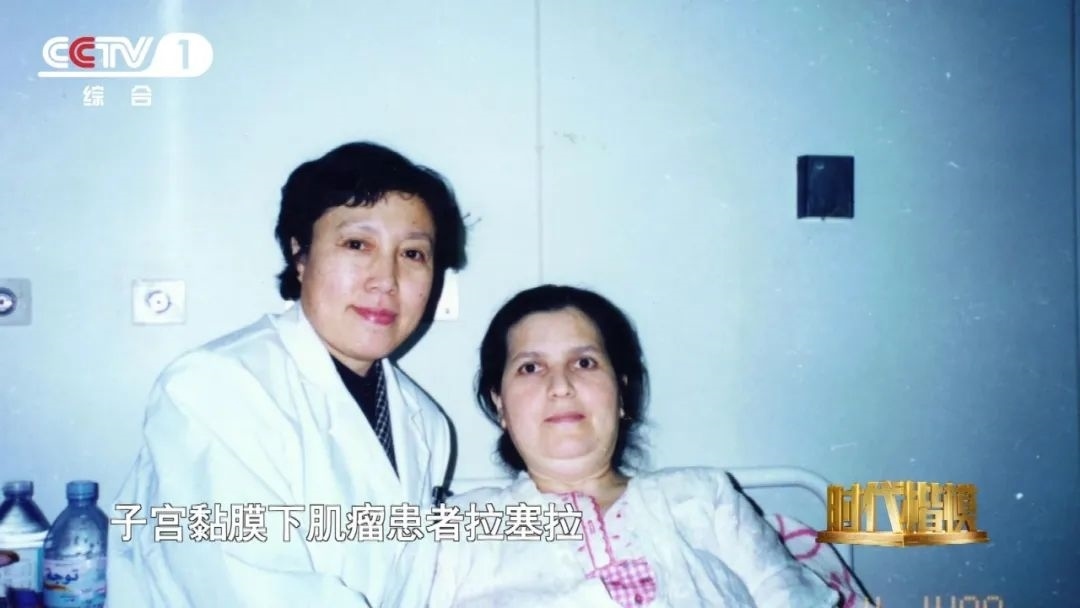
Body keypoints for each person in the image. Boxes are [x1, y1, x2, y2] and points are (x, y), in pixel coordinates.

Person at [107, 141, 468, 607]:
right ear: (300, 254)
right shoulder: (214, 388)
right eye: (357, 244)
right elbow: (252, 591)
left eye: (413, 254)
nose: (386, 279)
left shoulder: (426, 422)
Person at [426, 285, 841, 607]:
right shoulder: (461, 524)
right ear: (500, 403)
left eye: (584, 362)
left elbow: (787, 595)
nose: (561, 385)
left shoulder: (704, 497)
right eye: (531, 367)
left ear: (621, 392)